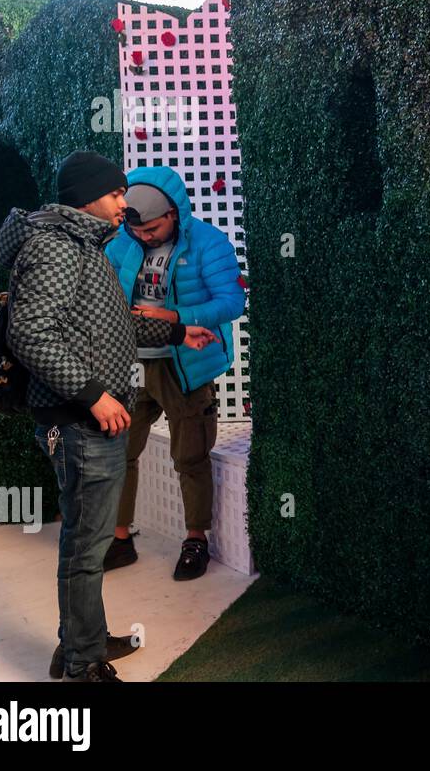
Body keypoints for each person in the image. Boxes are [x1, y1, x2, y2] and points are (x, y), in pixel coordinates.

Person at [0, 151, 218, 682]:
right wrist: (94, 394)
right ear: (86, 196)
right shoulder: (56, 248)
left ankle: (80, 643)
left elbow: (109, 327)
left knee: (87, 542)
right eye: (117, 194)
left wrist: (176, 331)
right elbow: (30, 334)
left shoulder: (84, 245)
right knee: (85, 544)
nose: (126, 205)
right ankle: (82, 665)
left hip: (89, 419)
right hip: (78, 423)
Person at [104, 167, 246, 580]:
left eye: (153, 227)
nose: (145, 236)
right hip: (130, 363)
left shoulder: (208, 243)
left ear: (175, 212)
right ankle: (119, 539)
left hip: (187, 365)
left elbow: (231, 302)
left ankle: (195, 539)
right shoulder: (121, 243)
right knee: (120, 451)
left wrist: (175, 318)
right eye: (139, 229)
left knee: (191, 455)